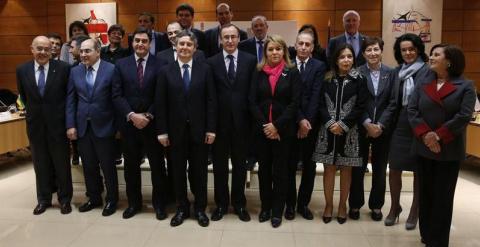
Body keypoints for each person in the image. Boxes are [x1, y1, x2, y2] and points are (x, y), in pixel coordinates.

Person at [408, 44, 475, 246]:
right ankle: (426, 234)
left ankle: (438, 240)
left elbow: (464, 116)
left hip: (448, 150)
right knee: (425, 194)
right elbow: (412, 110)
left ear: (449, 61)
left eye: (437, 54)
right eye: (432, 54)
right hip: (424, 148)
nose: (431, 57)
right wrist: (426, 135)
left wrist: (437, 136)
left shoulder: (466, 86)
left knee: (442, 197)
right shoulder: (423, 82)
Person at [156, 30, 217, 227]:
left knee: (199, 172)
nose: (184, 47)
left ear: (195, 48)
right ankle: (182, 208)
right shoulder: (166, 70)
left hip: (200, 132)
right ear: (175, 46)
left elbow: (211, 101)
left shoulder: (205, 69)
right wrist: (162, 131)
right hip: (175, 133)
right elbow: (161, 103)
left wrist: (211, 129)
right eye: (181, 44)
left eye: (188, 45)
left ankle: (200, 208)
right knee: (178, 172)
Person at [112, 28, 168, 220]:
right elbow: (117, 95)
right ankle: (134, 204)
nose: (140, 44)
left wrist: (148, 115)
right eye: (137, 41)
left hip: (153, 125)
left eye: (144, 41)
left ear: (150, 43)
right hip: (129, 125)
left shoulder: (161, 64)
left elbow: (161, 95)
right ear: (132, 42)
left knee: (158, 167)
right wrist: (132, 115)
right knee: (131, 168)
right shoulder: (121, 64)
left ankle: (159, 205)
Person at [380, 33, 434, 230]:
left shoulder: (428, 72)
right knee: (394, 168)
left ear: (418, 49)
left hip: (421, 124)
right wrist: (381, 124)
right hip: (400, 125)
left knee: (419, 169)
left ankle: (415, 210)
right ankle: (395, 207)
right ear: (399, 52)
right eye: (404, 50)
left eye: (411, 49)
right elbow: (393, 103)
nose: (408, 53)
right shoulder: (397, 72)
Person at [249, 35, 301, 228]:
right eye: (270, 49)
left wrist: (276, 126)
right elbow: (251, 102)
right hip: (262, 131)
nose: (274, 52)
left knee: (281, 172)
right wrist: (266, 126)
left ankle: (277, 210)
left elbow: (295, 103)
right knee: (264, 171)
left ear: (284, 51)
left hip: (284, 131)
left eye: (278, 49)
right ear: (265, 52)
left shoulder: (292, 72)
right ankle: (266, 207)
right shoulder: (258, 71)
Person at [312, 43, 368, 224]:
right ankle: (329, 205)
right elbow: (319, 103)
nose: (346, 60)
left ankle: (342, 206)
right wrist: (330, 123)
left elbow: (361, 106)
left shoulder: (359, 79)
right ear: (336, 60)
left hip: (350, 132)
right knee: (328, 170)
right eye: (342, 57)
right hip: (327, 130)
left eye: (349, 57)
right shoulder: (327, 78)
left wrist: (343, 124)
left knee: (346, 170)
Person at [16, 36, 73, 215]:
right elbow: (24, 97)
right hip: (35, 126)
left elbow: (68, 97)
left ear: (52, 51)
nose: (43, 52)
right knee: (40, 165)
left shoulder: (64, 69)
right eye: (39, 48)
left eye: (46, 49)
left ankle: (65, 200)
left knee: (61, 164)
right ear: (31, 49)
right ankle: (43, 199)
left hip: (58, 125)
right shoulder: (22, 70)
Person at [207, 24, 257, 222]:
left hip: (242, 124)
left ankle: (239, 204)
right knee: (219, 167)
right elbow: (210, 96)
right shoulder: (211, 62)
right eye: (225, 37)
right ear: (220, 39)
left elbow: (252, 94)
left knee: (239, 166)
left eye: (233, 37)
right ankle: (220, 204)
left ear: (239, 39)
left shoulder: (250, 61)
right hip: (219, 124)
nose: (229, 41)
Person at [66, 38, 119, 216]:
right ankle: (94, 197)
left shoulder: (111, 69)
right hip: (83, 127)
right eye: (81, 51)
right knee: (88, 165)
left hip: (105, 125)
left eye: (87, 51)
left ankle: (112, 199)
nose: (83, 55)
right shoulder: (75, 72)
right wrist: (71, 125)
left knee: (108, 166)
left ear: (98, 52)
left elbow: (116, 99)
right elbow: (71, 100)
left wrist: (117, 126)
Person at [348, 36, 395, 221]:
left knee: (380, 168)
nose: (373, 53)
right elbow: (355, 102)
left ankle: (376, 205)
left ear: (381, 51)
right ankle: (355, 204)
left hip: (383, 129)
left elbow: (393, 102)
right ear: (363, 53)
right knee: (358, 168)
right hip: (361, 127)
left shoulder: (391, 73)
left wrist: (380, 124)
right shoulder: (356, 72)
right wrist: (367, 123)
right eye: (368, 50)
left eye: (376, 49)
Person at [285, 32, 326, 221]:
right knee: (289, 166)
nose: (303, 47)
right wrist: (300, 119)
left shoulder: (319, 66)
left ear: (312, 47)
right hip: (290, 123)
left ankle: (303, 204)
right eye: (300, 43)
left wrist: (306, 122)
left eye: (307, 44)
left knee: (309, 167)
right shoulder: (287, 64)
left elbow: (316, 96)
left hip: (311, 125)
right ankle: (290, 205)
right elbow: (289, 98)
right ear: (295, 44)